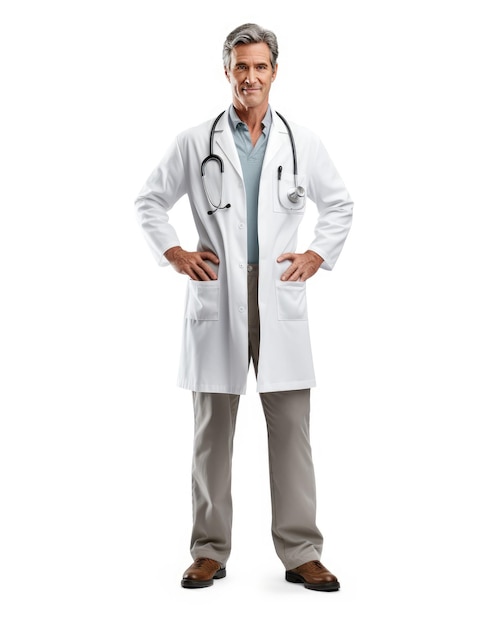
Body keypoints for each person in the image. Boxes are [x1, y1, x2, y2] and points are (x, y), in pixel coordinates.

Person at [135, 23, 353, 592]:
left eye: (260, 67)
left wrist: (318, 255)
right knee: (212, 433)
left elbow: (340, 204)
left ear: (274, 72)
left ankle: (302, 551)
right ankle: (208, 550)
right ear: (227, 71)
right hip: (218, 293)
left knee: (291, 433)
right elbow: (150, 201)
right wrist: (176, 253)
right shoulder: (195, 141)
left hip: (277, 294)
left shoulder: (300, 141)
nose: (250, 77)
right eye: (240, 67)